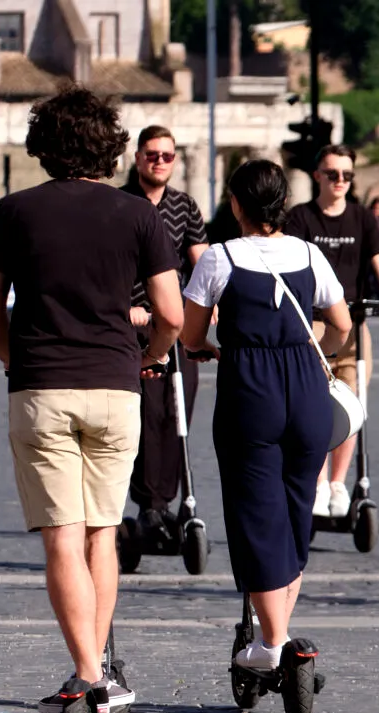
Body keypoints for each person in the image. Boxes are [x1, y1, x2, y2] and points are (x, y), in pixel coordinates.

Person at [0, 86, 184, 713]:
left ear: (44, 145)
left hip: (41, 385)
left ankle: (90, 673)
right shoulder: (139, 216)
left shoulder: (14, 212)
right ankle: (97, 676)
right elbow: (171, 315)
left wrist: (15, 359)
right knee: (103, 532)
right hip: (116, 387)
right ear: (111, 146)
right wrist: (145, 356)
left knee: (62, 537)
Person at [179, 159, 351, 669]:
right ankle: (278, 634)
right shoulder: (309, 254)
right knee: (298, 509)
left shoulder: (218, 257)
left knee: (256, 514)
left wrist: (210, 349)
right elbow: (340, 325)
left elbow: (190, 334)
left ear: (236, 204)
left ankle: (274, 645)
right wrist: (306, 345)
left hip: (249, 391)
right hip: (306, 389)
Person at [283, 144, 379, 519]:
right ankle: (317, 483)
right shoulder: (301, 218)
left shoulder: (362, 218)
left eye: (347, 176)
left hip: (352, 322)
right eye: (333, 174)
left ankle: (339, 484)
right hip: (313, 324)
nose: (340, 181)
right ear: (318, 175)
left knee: (352, 404)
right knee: (317, 406)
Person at [120, 125, 210, 542]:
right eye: (152, 154)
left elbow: (203, 264)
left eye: (167, 156)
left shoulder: (184, 207)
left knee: (177, 412)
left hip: (176, 327)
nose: (159, 161)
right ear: (137, 158)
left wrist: (211, 310)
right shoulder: (120, 204)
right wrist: (130, 310)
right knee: (144, 416)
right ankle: (148, 505)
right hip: (132, 326)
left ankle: (169, 503)